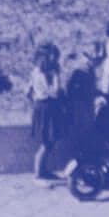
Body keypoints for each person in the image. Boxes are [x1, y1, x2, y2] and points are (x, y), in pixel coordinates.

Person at [27, 42, 64, 179]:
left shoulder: (35, 72)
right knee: (47, 142)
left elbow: (28, 91)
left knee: (48, 142)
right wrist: (57, 78)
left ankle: (43, 170)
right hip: (47, 108)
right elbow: (54, 92)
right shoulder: (44, 75)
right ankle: (39, 172)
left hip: (41, 107)